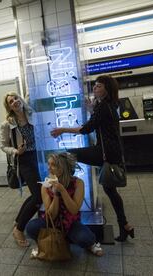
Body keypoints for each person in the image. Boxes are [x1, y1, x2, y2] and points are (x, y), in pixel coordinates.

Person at [50, 75, 134, 242]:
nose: (95, 88)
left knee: (67, 156)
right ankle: (124, 226)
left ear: (107, 89)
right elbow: (100, 123)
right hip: (113, 152)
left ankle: (65, 193)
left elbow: (86, 129)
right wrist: (91, 109)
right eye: (94, 86)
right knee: (111, 191)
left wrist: (63, 129)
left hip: (104, 152)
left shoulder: (103, 106)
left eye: (99, 86)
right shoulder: (110, 105)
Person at [26, 152, 103, 257]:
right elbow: (51, 215)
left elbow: (74, 210)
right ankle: (42, 243)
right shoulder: (45, 186)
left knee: (86, 238)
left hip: (70, 222)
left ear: (63, 168)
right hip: (51, 223)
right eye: (48, 164)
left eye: (53, 165)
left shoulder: (78, 183)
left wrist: (62, 191)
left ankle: (89, 244)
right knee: (31, 227)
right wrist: (56, 195)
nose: (49, 168)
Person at [0, 92, 41, 247]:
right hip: (24, 160)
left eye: (16, 98)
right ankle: (19, 228)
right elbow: (3, 146)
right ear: (9, 107)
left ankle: (18, 220)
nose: (15, 102)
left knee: (37, 194)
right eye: (11, 101)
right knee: (38, 196)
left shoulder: (32, 113)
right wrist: (16, 151)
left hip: (39, 157)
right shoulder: (7, 124)